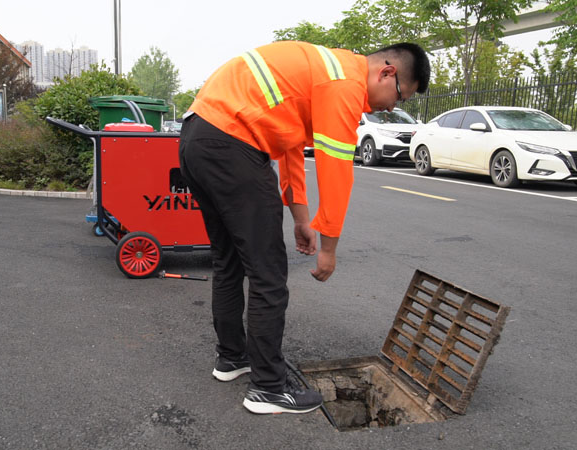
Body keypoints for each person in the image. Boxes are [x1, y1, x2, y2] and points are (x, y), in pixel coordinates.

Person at [178, 41, 430, 415]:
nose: (393, 107)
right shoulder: (344, 82)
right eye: (400, 96)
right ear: (386, 72)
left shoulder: (324, 71)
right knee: (268, 275)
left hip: (199, 138)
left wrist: (300, 218)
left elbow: (291, 147)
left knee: (228, 261)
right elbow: (335, 169)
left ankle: (232, 358)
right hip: (234, 143)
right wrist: (329, 247)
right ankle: (267, 389)